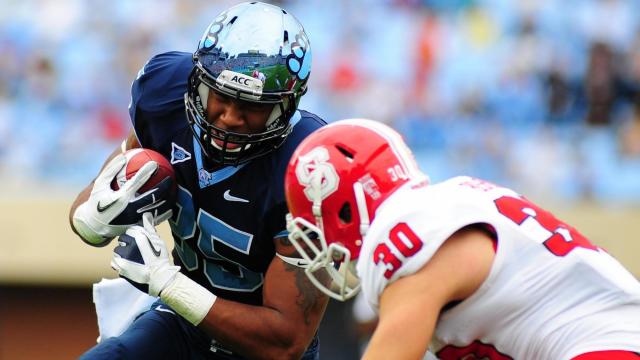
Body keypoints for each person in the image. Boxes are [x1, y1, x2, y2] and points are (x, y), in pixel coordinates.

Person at [68, 2, 329, 359]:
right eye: (220, 97)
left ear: (286, 105)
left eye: (252, 107)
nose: (229, 117)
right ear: (197, 81)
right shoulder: (165, 95)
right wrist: (92, 217)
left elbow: (284, 342)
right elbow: (97, 195)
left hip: (256, 347)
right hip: (182, 324)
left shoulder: (311, 168)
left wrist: (168, 283)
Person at [284, 119, 640, 359]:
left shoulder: (404, 234)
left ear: (348, 206)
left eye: (315, 224)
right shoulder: (450, 200)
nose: (319, 241)